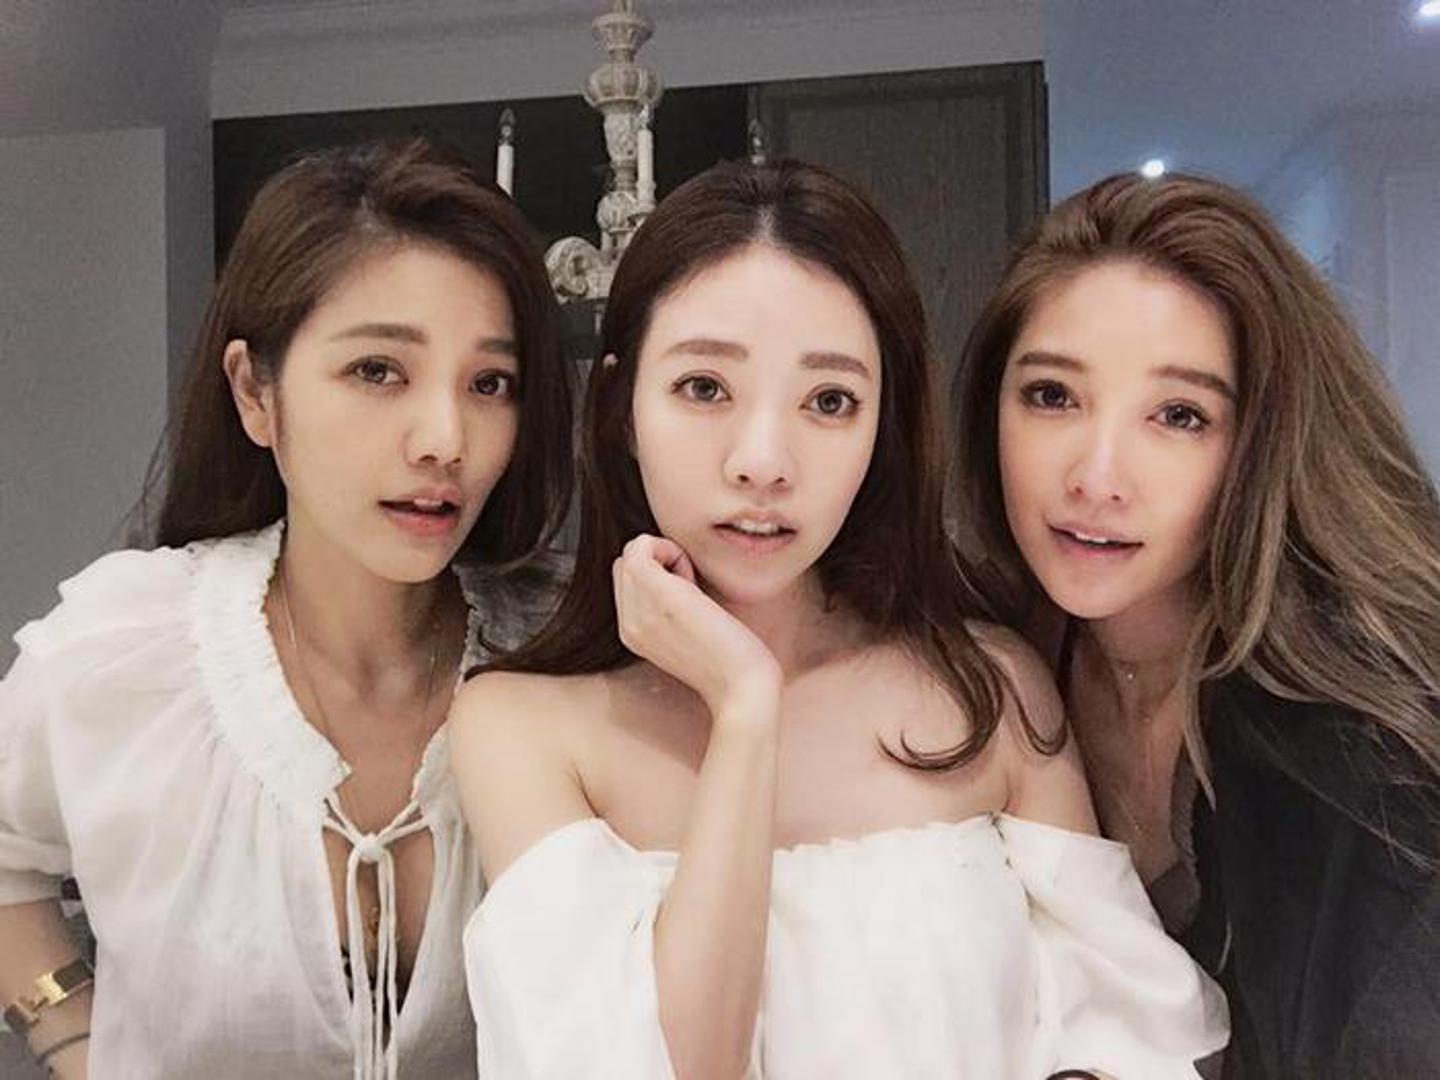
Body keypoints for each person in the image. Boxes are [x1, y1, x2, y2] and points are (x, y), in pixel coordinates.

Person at [450, 158, 1227, 1079]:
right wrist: (745, 712)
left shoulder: (987, 689)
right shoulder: (523, 727)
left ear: (880, 424)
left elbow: (1126, 1032)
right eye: (705, 388)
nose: (763, 461)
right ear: (621, 408)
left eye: (829, 401)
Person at [0, 137, 572, 1079]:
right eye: (378, 370)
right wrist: (76, 1042)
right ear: (254, 393)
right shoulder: (123, 654)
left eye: (489, 383)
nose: (445, 439)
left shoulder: (560, 654)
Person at [952, 170, 1440, 1077]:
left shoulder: (1355, 753)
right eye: (1052, 396)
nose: (1096, 476)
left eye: (1179, 416)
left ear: (1261, 443)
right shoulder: (984, 667)